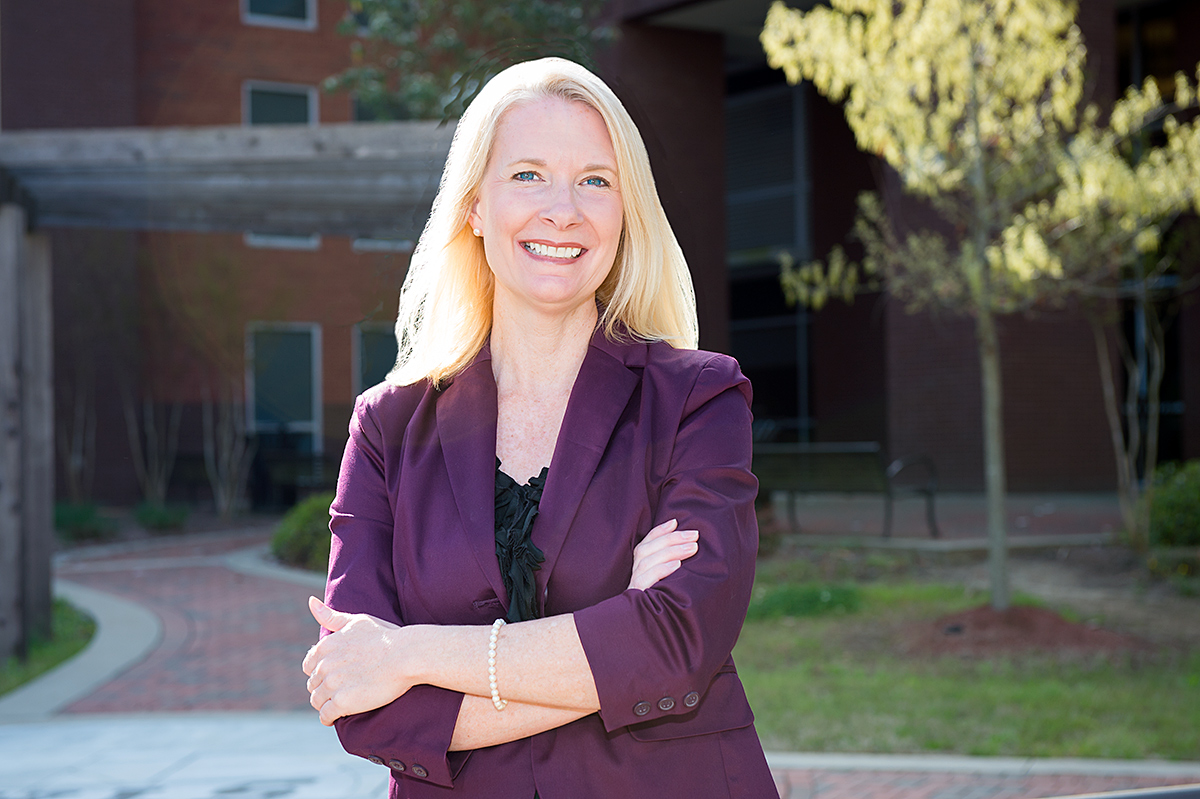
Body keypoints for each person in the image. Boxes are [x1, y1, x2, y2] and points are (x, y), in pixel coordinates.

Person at [301, 57, 776, 798]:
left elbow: (683, 640)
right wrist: (623, 634)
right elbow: (365, 707)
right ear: (474, 207)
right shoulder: (387, 429)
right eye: (527, 175)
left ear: (625, 211)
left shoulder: (697, 397)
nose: (564, 209)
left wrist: (410, 652)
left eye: (596, 179)